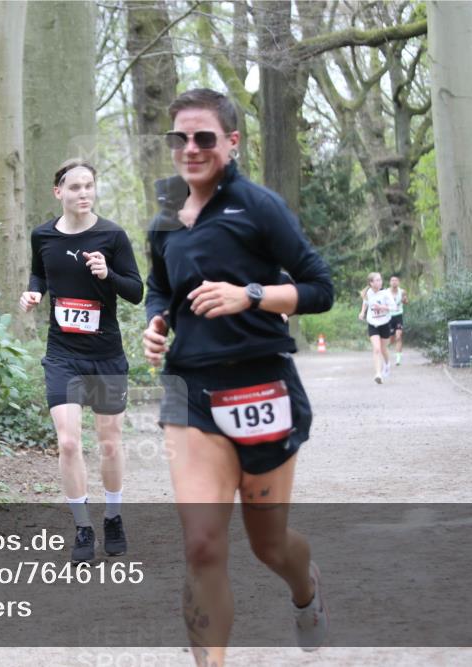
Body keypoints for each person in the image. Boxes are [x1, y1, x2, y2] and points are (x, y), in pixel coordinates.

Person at [142, 89, 334, 664]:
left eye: (205, 137)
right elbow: (161, 288)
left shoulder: (257, 206)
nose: (192, 148)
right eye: (181, 137)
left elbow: (320, 288)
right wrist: (157, 322)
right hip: (191, 393)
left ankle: (306, 591)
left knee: (269, 545)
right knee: (202, 546)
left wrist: (249, 294)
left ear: (231, 142)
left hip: (261, 387)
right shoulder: (165, 218)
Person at [20, 158, 143, 563]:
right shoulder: (42, 236)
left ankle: (113, 516)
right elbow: (40, 275)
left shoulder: (112, 235)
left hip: (105, 354)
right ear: (59, 192)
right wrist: (33, 293)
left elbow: (136, 292)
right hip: (63, 354)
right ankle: (84, 527)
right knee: (69, 442)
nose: (83, 194)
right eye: (75, 187)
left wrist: (108, 274)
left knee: (109, 444)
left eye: (89, 186)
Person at [357, 272, 393, 383]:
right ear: (371, 283)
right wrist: (362, 312)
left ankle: (387, 364)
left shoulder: (386, 293)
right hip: (373, 324)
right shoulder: (368, 292)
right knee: (376, 349)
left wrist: (381, 307)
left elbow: (393, 307)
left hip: (385, 324)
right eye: (377, 280)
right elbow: (365, 302)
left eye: (380, 280)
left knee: (383, 349)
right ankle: (378, 374)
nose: (380, 282)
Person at [386, 275, 408, 365]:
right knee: (391, 339)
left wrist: (404, 300)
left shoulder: (402, 291)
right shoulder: (386, 292)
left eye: (396, 280)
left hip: (398, 316)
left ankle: (398, 359)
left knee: (398, 336)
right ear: (390, 282)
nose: (394, 282)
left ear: (398, 282)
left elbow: (406, 302)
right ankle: (384, 353)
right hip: (389, 317)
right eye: (392, 280)